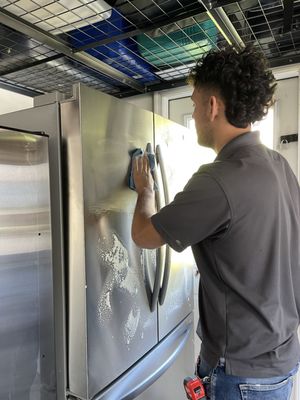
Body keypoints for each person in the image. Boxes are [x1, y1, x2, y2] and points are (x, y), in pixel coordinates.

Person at [131, 44, 300, 400]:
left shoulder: (218, 179)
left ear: (212, 107)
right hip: (280, 361)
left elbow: (145, 236)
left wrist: (145, 192)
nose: (193, 114)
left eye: (193, 104)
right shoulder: (279, 166)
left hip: (239, 373)